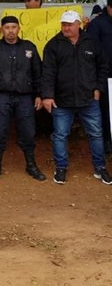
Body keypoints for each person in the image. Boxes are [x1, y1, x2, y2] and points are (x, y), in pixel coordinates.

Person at [42, 10, 112, 185]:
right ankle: (61, 168)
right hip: (62, 100)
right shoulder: (53, 45)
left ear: (78, 24)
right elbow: (47, 73)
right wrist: (48, 96)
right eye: (63, 24)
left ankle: (100, 167)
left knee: (96, 134)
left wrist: (98, 87)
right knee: (60, 135)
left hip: (88, 98)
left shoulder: (92, 42)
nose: (66, 27)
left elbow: (103, 66)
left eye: (69, 24)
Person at [0, 16, 46, 181]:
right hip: (2, 96)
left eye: (14, 27)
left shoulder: (29, 47)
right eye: (7, 27)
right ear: (2, 29)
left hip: (25, 97)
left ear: (19, 29)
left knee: (28, 131)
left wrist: (39, 95)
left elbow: (38, 73)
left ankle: (31, 165)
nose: (10, 31)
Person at [87, 0, 112, 155]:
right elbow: (91, 51)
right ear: (109, 7)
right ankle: (107, 142)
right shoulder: (97, 23)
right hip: (106, 76)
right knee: (106, 110)